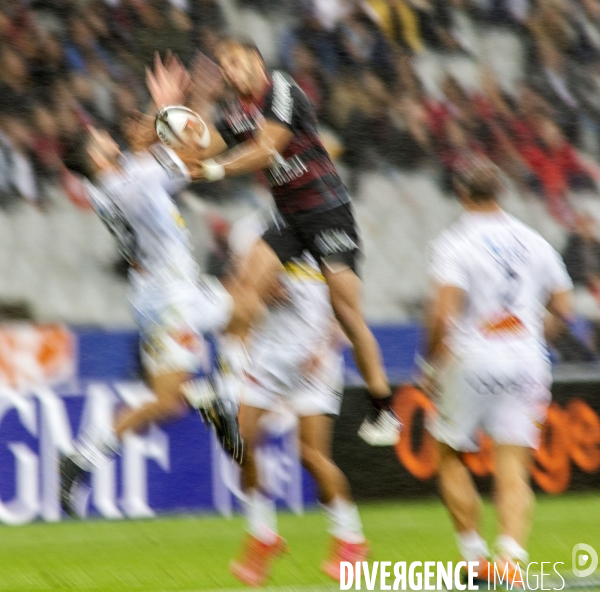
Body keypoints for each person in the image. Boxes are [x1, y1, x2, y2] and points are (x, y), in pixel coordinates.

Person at [145, 42, 400, 447]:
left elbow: (267, 149)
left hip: (328, 211)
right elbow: (199, 149)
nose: (230, 70)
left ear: (258, 61)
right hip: (289, 217)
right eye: (225, 64)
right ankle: (226, 384)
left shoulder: (280, 89)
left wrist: (211, 170)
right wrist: (174, 111)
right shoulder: (237, 111)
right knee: (247, 287)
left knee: (347, 311)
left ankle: (382, 408)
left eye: (237, 61)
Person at [58, 120, 259, 517]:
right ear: (97, 156)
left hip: (175, 288)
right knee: (167, 401)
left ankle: (223, 391)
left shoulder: (108, 185)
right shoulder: (134, 184)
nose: (106, 133)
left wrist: (156, 122)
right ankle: (81, 458)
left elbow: (141, 155)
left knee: (246, 309)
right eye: (101, 135)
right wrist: (223, 121)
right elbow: (196, 155)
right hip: (169, 300)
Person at [419, 155, 573, 585]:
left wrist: (429, 365)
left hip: (473, 355)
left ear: (462, 193)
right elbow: (563, 307)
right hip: (526, 358)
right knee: (513, 465)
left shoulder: (454, 243)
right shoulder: (534, 240)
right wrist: (530, 337)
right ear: (501, 192)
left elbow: (442, 315)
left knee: (449, 454)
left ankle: (474, 557)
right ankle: (511, 557)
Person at [224, 213, 368, 587]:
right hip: (269, 354)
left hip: (314, 360)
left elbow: (348, 302)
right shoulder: (251, 228)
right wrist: (254, 288)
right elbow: (238, 286)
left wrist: (327, 346)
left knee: (311, 455)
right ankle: (262, 535)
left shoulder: (331, 230)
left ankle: (351, 538)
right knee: (240, 439)